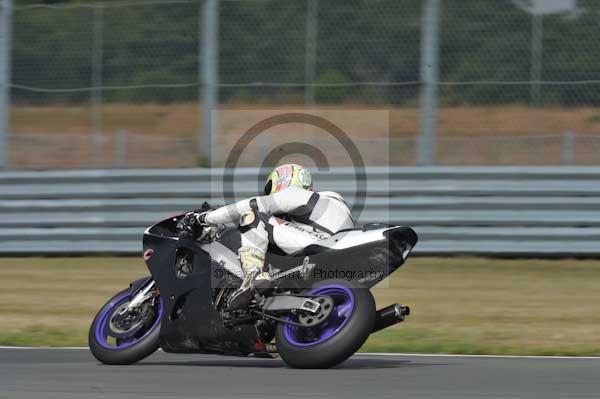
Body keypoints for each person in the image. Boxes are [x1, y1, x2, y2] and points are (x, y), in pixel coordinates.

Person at [177, 164, 354, 309]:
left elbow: (252, 205)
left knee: (251, 214)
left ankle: (252, 277)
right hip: (335, 258)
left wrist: (203, 218)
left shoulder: (298, 194)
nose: (271, 194)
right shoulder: (329, 202)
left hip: (319, 246)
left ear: (283, 181)